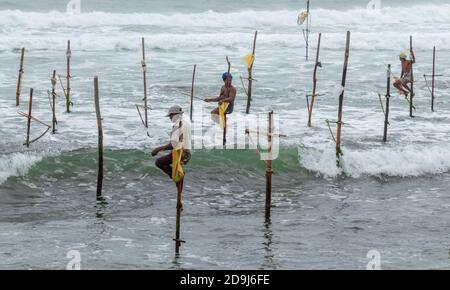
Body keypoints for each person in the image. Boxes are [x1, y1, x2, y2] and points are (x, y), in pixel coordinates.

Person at [152, 105, 191, 187]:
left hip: (181, 153)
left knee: (159, 162)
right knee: (176, 172)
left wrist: (158, 149)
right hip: (187, 154)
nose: (170, 118)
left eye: (171, 116)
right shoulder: (185, 124)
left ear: (175, 115)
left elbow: (173, 144)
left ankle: (174, 176)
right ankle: (177, 177)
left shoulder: (177, 125)